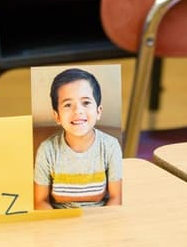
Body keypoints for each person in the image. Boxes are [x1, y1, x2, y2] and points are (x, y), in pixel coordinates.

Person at [34, 68, 123, 209]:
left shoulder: (110, 146)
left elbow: (116, 197)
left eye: (86, 103)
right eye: (68, 105)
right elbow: (40, 201)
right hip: (60, 223)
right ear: (57, 116)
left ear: (98, 111)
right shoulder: (47, 150)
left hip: (99, 221)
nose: (78, 111)